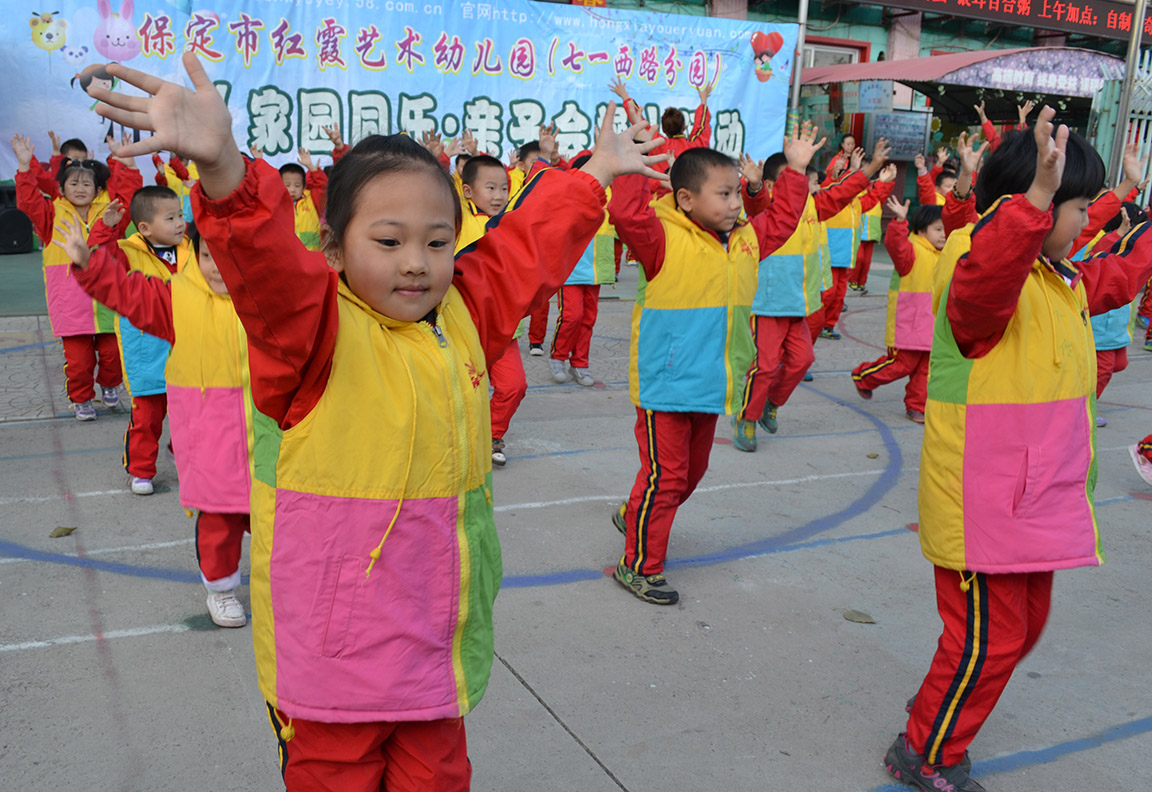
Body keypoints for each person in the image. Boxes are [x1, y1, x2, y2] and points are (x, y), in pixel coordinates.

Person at [91, 51, 667, 789]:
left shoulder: (462, 314)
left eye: (437, 241)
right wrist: (226, 172)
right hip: (332, 668)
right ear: (332, 249)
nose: (418, 264)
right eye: (388, 242)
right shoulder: (308, 331)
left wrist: (592, 177)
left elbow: (523, 249)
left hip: (434, 644)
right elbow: (265, 264)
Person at [887, 109, 1152, 792]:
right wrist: (1037, 200)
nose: (1089, 220)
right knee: (988, 639)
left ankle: (933, 712)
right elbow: (987, 282)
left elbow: (1117, 276)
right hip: (983, 500)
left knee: (1019, 632)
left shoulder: (1058, 276)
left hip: (1036, 495)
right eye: (1079, 206)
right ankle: (927, 751)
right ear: (1031, 199)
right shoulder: (979, 267)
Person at [607, 125, 824, 603]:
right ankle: (638, 565)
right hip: (665, 386)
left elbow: (784, 218)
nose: (734, 204)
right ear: (685, 198)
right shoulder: (661, 237)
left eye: (735, 194)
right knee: (665, 479)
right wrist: (626, 168)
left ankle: (635, 513)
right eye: (723, 194)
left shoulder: (745, 239)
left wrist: (797, 171)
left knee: (688, 476)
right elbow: (624, 213)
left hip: (710, 386)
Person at [60, 211, 253, 628]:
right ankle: (221, 590)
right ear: (195, 255)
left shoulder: (273, 298)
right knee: (219, 520)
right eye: (208, 254)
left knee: (283, 519)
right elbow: (129, 293)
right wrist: (87, 264)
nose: (218, 265)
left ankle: (289, 584)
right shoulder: (176, 298)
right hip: (210, 438)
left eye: (232, 254)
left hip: (271, 439)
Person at [732, 145, 889, 451]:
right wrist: (752, 185)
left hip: (798, 304)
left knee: (802, 361)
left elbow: (842, 194)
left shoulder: (812, 206)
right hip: (768, 304)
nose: (804, 187)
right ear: (772, 185)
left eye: (806, 181)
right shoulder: (767, 209)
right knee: (764, 367)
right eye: (796, 179)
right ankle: (746, 417)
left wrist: (869, 171)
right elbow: (755, 203)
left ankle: (770, 404)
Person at [12, 133, 139, 420]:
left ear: (97, 189)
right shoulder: (51, 215)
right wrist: (23, 168)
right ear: (61, 188)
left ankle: (109, 385)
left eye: (86, 184)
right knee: (79, 363)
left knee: (112, 356)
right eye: (73, 183)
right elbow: (30, 200)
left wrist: (128, 165)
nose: (80, 188)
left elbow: (130, 198)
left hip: (110, 301)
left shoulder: (110, 213)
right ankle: (81, 398)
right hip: (71, 306)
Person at [112, 185, 192, 495]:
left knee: (190, 416)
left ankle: (188, 461)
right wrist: (105, 232)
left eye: (181, 215)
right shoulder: (128, 251)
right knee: (147, 416)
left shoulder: (191, 248)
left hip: (187, 349)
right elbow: (102, 264)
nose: (179, 223)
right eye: (170, 218)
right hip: (146, 353)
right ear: (144, 227)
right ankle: (141, 470)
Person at [850, 199, 945, 424]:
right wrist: (900, 222)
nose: (944, 234)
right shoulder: (912, 250)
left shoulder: (944, 255)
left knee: (925, 370)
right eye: (938, 229)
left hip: (932, 325)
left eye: (946, 230)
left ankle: (916, 406)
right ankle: (864, 376)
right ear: (921, 230)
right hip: (909, 324)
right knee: (902, 365)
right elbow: (896, 245)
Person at [547, 151, 618, 388]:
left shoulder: (608, 194)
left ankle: (580, 362)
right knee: (571, 316)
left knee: (588, 319)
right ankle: (558, 357)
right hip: (571, 269)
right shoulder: (567, 196)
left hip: (596, 269)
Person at [818, 146, 896, 339]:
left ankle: (828, 325)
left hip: (845, 258)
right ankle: (817, 324)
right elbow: (830, 187)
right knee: (826, 294)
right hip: (829, 257)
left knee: (838, 296)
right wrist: (839, 172)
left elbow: (873, 197)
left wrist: (884, 182)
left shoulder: (856, 204)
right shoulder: (829, 198)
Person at [278, 148, 329, 251]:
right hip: (286, 256)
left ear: (304, 187)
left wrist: (311, 167)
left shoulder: (312, 200)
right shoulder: (275, 203)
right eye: (287, 185)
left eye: (297, 185)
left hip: (312, 257)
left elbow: (323, 186)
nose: (292, 190)